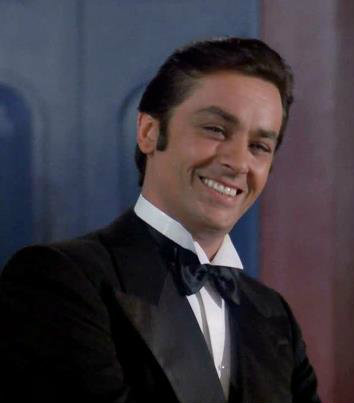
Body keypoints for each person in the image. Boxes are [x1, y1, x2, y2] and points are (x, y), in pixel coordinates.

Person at [0, 37, 321, 403]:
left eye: (259, 146)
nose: (238, 162)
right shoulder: (58, 279)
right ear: (149, 133)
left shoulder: (274, 314)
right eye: (216, 129)